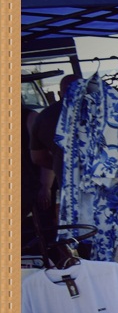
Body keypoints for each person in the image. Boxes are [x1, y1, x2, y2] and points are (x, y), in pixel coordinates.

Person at [27, 74, 78, 249]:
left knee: (76, 234)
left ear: (59, 93)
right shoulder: (103, 109)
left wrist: (61, 165)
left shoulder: (44, 116)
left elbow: (38, 157)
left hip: (69, 186)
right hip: (103, 185)